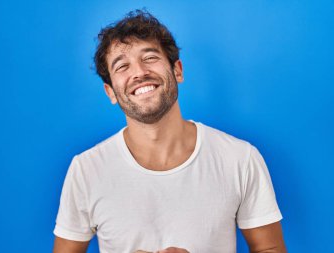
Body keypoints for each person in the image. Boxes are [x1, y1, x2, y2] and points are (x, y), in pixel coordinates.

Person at [52, 9, 287, 253]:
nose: (139, 72)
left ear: (177, 71)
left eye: (150, 57)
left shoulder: (240, 158)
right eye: (122, 66)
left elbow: (269, 248)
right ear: (110, 92)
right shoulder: (86, 170)